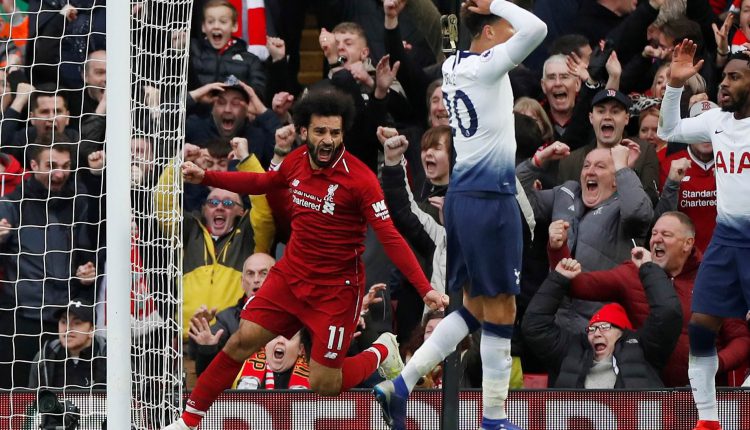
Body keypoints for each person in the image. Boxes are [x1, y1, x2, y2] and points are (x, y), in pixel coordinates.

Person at [163, 88, 446, 430]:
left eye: (335, 132)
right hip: (290, 279)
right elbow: (263, 181)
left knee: (324, 383)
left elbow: (390, 236)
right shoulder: (296, 160)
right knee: (239, 341)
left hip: (335, 292)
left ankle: (381, 351)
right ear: (303, 131)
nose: (328, 140)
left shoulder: (360, 179)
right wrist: (206, 176)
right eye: (320, 131)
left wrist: (425, 289)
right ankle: (187, 422)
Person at [373, 1, 547, 429]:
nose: (511, 36)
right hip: (490, 198)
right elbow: (538, 28)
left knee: (472, 308)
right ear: (488, 32)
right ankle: (494, 416)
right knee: (503, 308)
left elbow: (505, 36)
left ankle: (401, 385)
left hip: (464, 197)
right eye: (504, 28)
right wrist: (496, 5)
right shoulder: (486, 67)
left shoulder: (453, 65)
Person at [656, 40, 750, 430]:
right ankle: (708, 420)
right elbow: (667, 130)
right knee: (699, 327)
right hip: (726, 242)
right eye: (723, 76)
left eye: (735, 77)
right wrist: (675, 85)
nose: (724, 84)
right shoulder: (716, 122)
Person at [547, 212, 750, 387]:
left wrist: (715, 364)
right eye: (654, 234)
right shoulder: (632, 273)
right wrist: (558, 249)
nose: (656, 240)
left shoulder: (714, 278)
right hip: (647, 391)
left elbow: (740, 338)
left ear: (688, 243)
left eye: (666, 235)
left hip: (705, 391)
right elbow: (577, 285)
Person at [521, 254, 682, 388]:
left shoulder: (642, 349)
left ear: (622, 332)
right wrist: (558, 279)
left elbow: (667, 313)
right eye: (592, 329)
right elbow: (535, 326)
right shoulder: (571, 350)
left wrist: (648, 268)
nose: (596, 334)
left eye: (605, 327)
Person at [190, 252, 276, 376]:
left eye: (263, 273)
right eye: (250, 274)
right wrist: (207, 347)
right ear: (242, 282)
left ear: (277, 279)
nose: (256, 279)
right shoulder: (227, 318)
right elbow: (204, 374)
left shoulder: (292, 315)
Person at [28, 298, 106, 389]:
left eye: (77, 323)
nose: (68, 329)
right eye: (64, 322)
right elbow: (34, 396)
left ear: (92, 330)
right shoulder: (45, 357)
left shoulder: (107, 356)